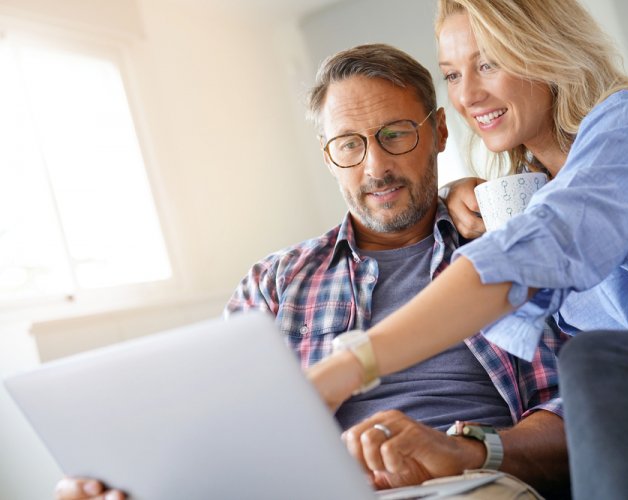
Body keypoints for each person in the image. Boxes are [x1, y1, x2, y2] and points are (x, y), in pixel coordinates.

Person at [54, 43, 571, 500]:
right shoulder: (274, 283)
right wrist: (122, 482)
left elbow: (575, 418)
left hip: (464, 484)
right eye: (349, 144)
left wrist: (465, 450)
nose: (375, 167)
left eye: (395, 134)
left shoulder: (501, 247)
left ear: (438, 132)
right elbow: (226, 431)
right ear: (328, 157)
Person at [306, 1, 628, 499]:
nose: (468, 95)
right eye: (453, 74)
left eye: (488, 63)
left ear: (546, 52)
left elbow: (535, 248)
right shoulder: (523, 194)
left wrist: (347, 367)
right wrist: (451, 197)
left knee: (599, 362)